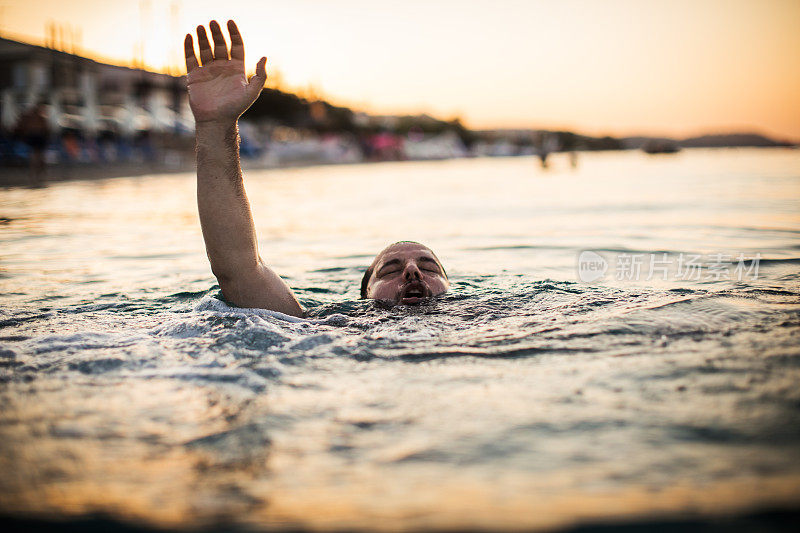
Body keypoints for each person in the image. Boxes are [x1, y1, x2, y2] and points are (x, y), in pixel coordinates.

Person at [184, 20, 449, 318]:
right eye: (389, 271)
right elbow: (239, 271)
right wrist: (216, 126)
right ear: (366, 296)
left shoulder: (492, 317)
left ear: (451, 289)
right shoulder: (336, 326)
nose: (413, 272)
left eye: (428, 267)